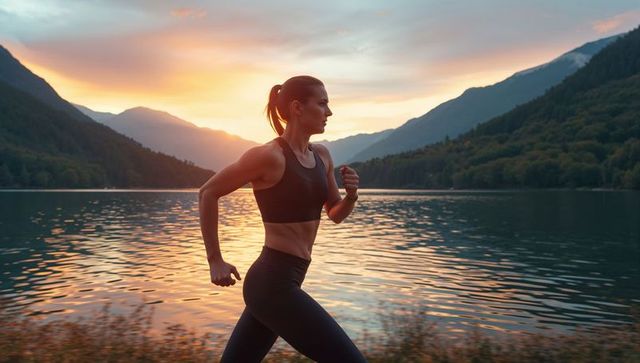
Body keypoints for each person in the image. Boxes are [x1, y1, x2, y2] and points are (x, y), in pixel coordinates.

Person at [198, 75, 367, 362]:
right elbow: (207, 192)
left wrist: (351, 196)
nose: (329, 112)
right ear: (297, 107)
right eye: (323, 103)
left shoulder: (322, 156)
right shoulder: (269, 156)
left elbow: (335, 214)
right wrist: (215, 259)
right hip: (272, 282)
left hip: (289, 278)